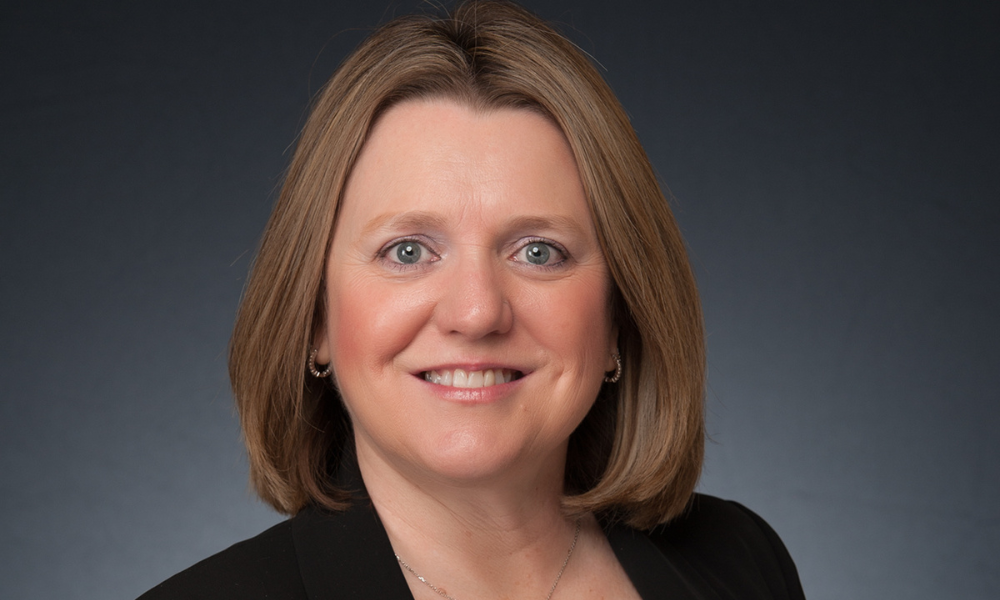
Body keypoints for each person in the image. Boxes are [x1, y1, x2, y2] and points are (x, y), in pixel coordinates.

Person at [140, 2, 805, 598]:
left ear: (618, 318)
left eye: (538, 252)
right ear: (314, 317)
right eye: (408, 251)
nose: (477, 312)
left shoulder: (739, 563)